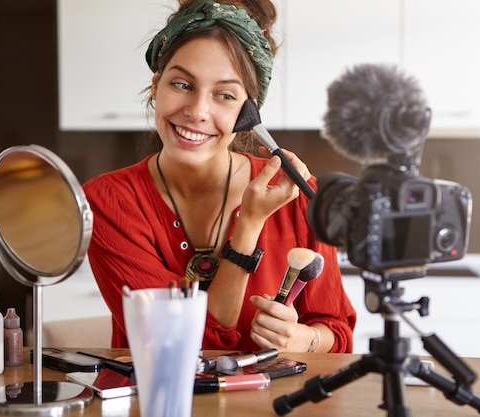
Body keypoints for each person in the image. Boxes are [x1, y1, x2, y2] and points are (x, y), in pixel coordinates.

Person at [83, 0, 356, 353]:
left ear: (249, 110)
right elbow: (180, 340)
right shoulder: (107, 202)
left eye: (224, 95)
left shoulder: (297, 194)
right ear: (156, 85)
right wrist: (250, 223)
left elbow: (338, 335)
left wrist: (301, 338)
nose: (197, 111)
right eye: (182, 84)